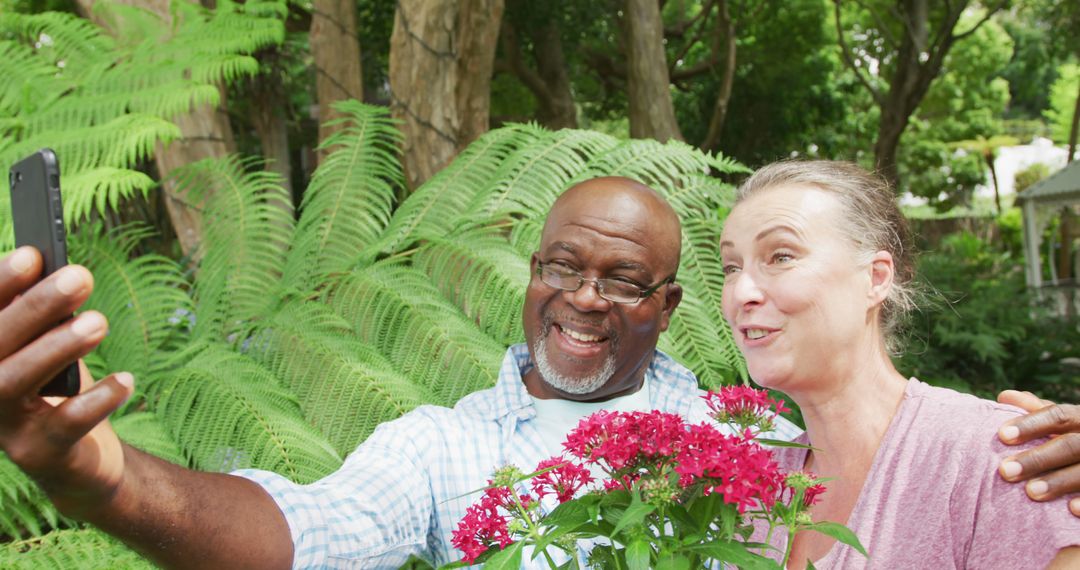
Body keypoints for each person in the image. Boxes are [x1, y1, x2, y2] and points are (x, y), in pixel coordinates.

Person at [0, 175, 1075, 569]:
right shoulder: (444, 446)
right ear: (529, 278)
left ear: (666, 309)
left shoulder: (748, 445)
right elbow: (295, 534)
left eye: (624, 280)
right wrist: (102, 479)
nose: (584, 298)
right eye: (561, 267)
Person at [719, 160, 1080, 568]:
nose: (740, 292)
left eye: (781, 256)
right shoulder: (754, 486)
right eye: (732, 267)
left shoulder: (993, 458)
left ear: (875, 278)